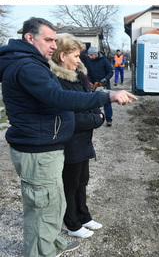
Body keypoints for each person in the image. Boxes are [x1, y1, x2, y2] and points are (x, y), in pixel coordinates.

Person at [0, 17, 137, 257]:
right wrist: (108, 96)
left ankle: (52, 245)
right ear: (30, 38)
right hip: (38, 150)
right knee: (42, 208)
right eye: (48, 40)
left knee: (53, 203)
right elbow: (60, 98)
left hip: (47, 147)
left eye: (55, 40)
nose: (53, 46)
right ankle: (41, 253)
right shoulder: (27, 66)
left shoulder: (32, 62)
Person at [50, 35, 105, 239]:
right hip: (70, 142)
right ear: (62, 56)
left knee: (82, 180)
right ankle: (72, 223)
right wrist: (96, 119)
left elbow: (90, 100)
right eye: (75, 56)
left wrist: (97, 114)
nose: (79, 60)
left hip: (83, 140)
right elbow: (68, 117)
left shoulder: (79, 77)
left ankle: (84, 216)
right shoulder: (57, 82)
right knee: (70, 184)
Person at [85, 46, 114, 127]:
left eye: (91, 55)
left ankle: (109, 119)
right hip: (94, 85)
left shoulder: (104, 61)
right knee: (94, 102)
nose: (90, 56)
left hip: (104, 84)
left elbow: (110, 72)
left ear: (95, 54)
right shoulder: (89, 62)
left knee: (107, 102)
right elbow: (87, 73)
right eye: (89, 55)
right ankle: (95, 118)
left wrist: (105, 79)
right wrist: (89, 82)